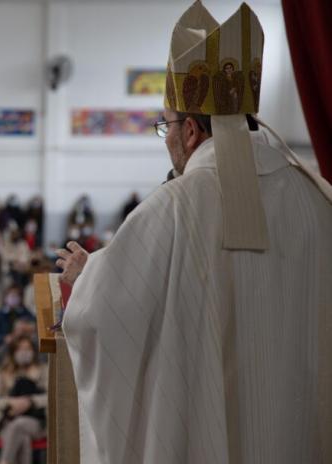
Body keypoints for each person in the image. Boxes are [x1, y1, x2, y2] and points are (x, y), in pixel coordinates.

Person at [58, 3, 332, 463]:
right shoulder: (318, 196)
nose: (166, 138)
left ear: (189, 131)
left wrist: (87, 278)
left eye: (165, 125)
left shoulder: (175, 206)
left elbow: (105, 318)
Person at [0, 336, 47, 464]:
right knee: (23, 438)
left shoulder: (43, 370)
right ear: (13, 352)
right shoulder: (3, 372)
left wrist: (30, 401)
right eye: (20, 349)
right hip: (7, 419)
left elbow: (51, 398)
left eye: (27, 349)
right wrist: (11, 402)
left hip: (36, 421)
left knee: (18, 424)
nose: (24, 352)